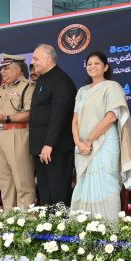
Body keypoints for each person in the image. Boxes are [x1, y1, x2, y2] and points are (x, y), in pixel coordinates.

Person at [70, 51, 131, 220]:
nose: (92, 67)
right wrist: (78, 142)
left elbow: (111, 117)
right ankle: (82, 228)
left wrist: (88, 140)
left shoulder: (112, 87)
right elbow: (75, 120)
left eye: (96, 63)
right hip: (82, 147)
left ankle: (108, 230)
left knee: (105, 185)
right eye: (89, 64)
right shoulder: (82, 91)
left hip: (104, 144)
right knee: (83, 185)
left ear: (105, 67)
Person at [29, 44, 77, 206]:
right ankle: (47, 227)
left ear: (48, 59)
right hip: (40, 147)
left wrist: (49, 144)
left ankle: (61, 228)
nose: (32, 62)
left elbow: (60, 116)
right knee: (44, 190)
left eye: (36, 58)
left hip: (56, 148)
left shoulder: (62, 80)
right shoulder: (43, 79)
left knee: (58, 190)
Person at [0, 54, 36, 210]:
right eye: (1, 69)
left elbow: (30, 113)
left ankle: (26, 221)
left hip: (17, 134)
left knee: (23, 181)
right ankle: (9, 218)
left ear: (19, 69)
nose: (2, 72)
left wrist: (6, 118)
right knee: (4, 181)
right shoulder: (0, 89)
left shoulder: (28, 86)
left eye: (7, 68)